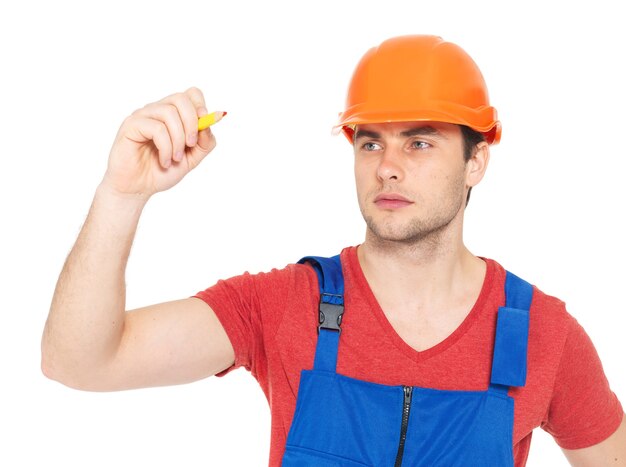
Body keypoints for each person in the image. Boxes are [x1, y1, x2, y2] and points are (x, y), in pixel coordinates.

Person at [41, 35, 625, 466]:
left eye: (420, 142)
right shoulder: (282, 304)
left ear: (476, 161)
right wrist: (121, 194)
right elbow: (78, 361)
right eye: (371, 142)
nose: (388, 167)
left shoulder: (543, 334)